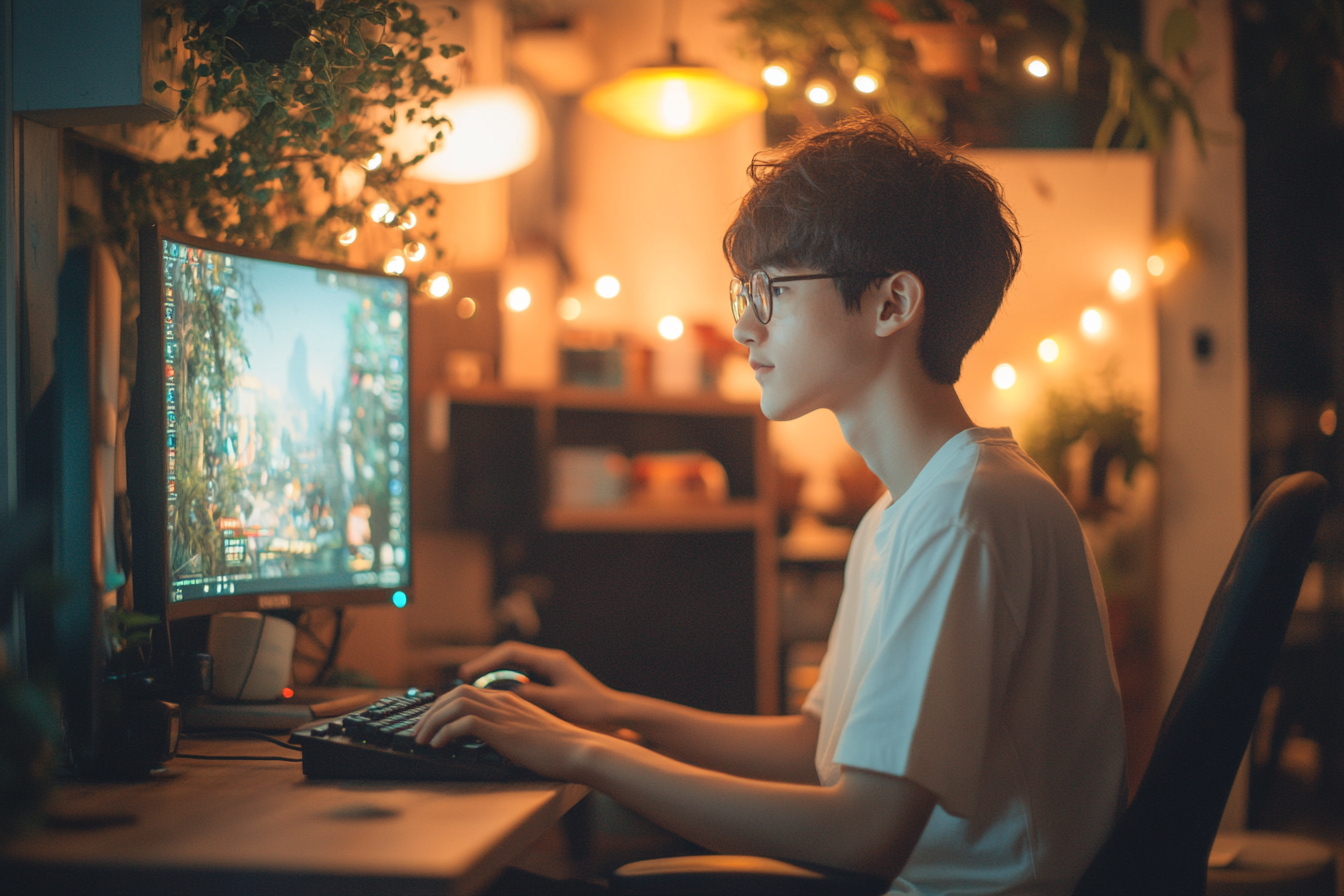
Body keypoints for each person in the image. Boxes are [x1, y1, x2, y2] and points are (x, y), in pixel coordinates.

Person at [413, 114, 1127, 896]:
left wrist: (581, 753)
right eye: (745, 291)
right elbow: (814, 744)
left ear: (893, 304)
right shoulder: (907, 508)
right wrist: (611, 710)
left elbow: (864, 832)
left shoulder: (966, 513)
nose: (743, 325)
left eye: (773, 291)